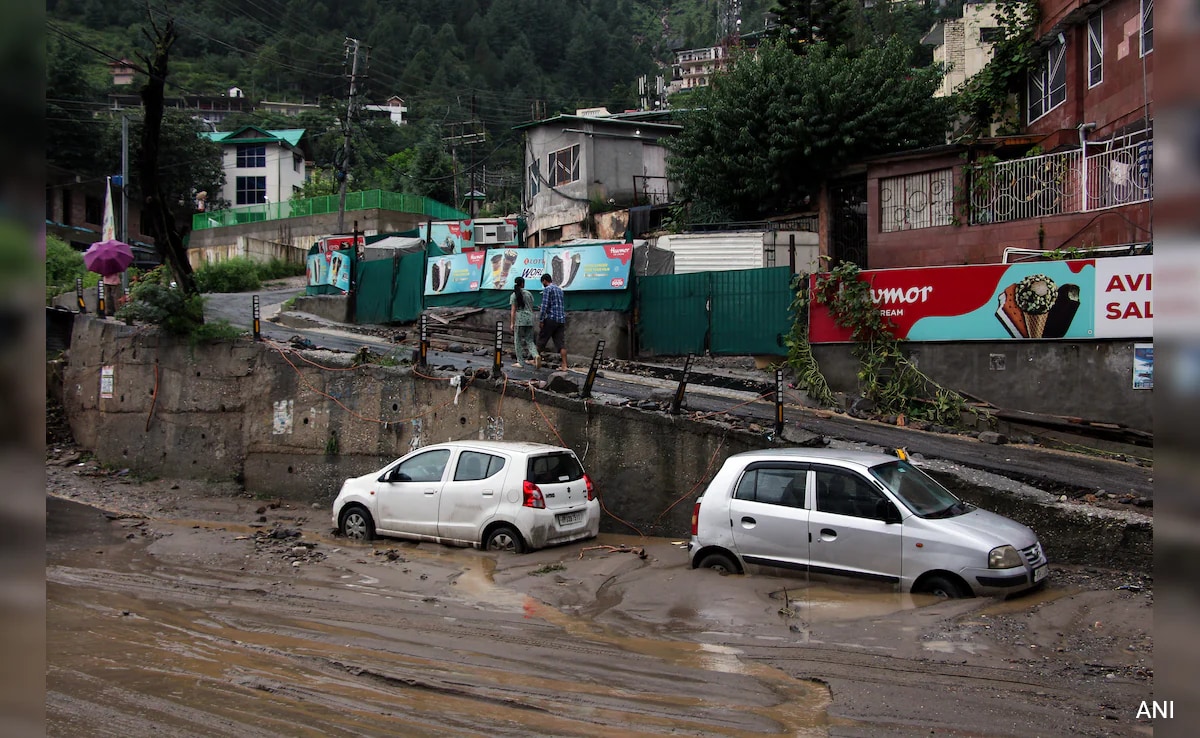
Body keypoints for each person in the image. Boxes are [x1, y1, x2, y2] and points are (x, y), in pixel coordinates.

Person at [536, 272, 569, 371]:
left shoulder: (547, 289)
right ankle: (564, 365)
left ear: (545, 281)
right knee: (561, 344)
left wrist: (541, 320)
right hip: (561, 320)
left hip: (551, 319)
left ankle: (535, 359)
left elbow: (545, 305)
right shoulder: (560, 290)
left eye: (543, 282)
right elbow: (557, 305)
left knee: (541, 341)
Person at [508, 276, 538, 368]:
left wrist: (512, 323)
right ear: (523, 284)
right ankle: (536, 356)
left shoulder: (514, 295)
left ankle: (520, 362)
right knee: (530, 340)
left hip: (520, 320)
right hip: (530, 319)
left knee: (517, 341)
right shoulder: (528, 294)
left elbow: (513, 311)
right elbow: (531, 307)